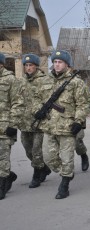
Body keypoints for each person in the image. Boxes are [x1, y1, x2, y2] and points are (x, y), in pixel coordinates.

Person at [33, 50, 90, 199]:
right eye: (55, 62)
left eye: (60, 62)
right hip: (49, 126)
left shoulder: (76, 82)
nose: (57, 65)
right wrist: (37, 111)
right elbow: (36, 98)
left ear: (67, 64)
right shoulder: (45, 81)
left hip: (67, 126)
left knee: (67, 158)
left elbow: (83, 104)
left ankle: (64, 183)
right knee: (48, 157)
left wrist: (78, 121)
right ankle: (67, 173)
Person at [19, 53, 51, 188]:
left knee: (36, 151)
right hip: (24, 123)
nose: (28, 68)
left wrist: (44, 114)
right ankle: (43, 168)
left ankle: (36, 175)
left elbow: (49, 100)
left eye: (30, 65)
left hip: (39, 123)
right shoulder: (21, 81)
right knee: (28, 150)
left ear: (36, 66)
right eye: (26, 65)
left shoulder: (44, 80)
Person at [0, 53, 25, 200]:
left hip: (5, 126)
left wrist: (13, 124)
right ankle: (9, 175)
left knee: (2, 157)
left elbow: (18, 103)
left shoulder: (10, 80)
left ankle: (2, 186)